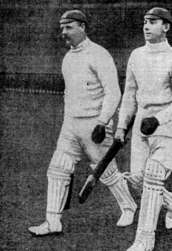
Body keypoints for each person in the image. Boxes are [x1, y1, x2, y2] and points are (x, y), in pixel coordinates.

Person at [28, 9, 137, 236]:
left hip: (95, 126)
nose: (63, 32)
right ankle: (53, 222)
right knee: (57, 169)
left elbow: (113, 92)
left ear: (82, 27)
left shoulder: (99, 54)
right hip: (71, 126)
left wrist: (102, 121)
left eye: (68, 27)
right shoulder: (68, 57)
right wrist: (68, 124)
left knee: (107, 173)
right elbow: (71, 95)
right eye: (61, 28)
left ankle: (129, 206)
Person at [115, 7, 172, 251]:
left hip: (165, 126)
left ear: (166, 27)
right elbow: (130, 93)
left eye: (153, 22)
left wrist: (159, 119)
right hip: (140, 125)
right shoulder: (136, 55)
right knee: (138, 180)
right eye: (145, 22)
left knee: (153, 177)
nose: (146, 26)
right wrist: (121, 126)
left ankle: (144, 241)